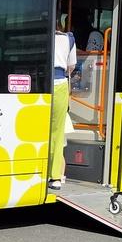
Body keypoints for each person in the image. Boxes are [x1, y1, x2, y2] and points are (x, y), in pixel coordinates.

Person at [48, 25, 78, 190]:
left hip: (39, 83)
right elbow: (71, 66)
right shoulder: (69, 39)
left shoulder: (40, 35)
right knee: (57, 133)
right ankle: (55, 177)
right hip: (60, 84)